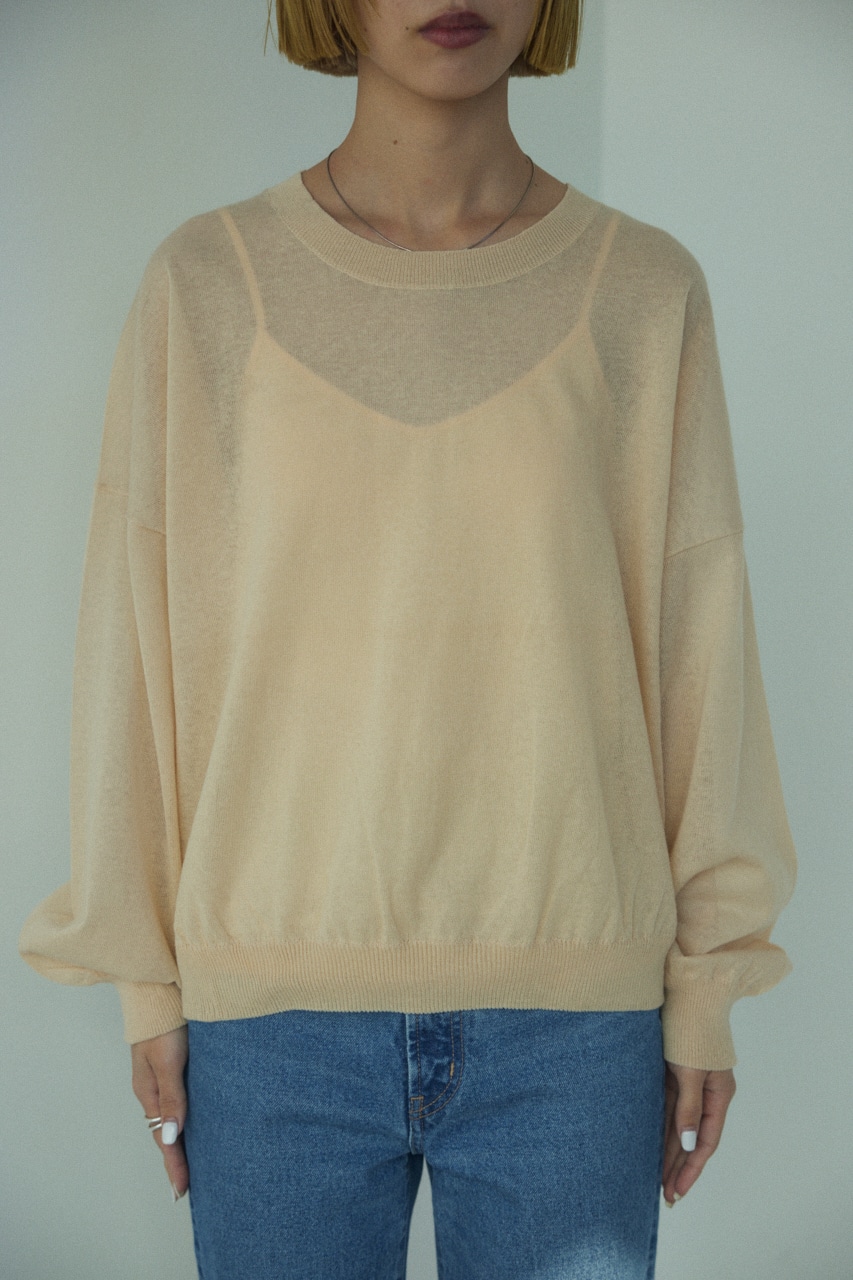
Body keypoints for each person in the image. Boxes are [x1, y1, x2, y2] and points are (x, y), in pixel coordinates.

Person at [19, 0, 798, 1275]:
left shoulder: (643, 291)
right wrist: (146, 977)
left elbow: (700, 649)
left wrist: (707, 984)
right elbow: (136, 647)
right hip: (271, 1020)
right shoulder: (206, 283)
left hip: (574, 1019)